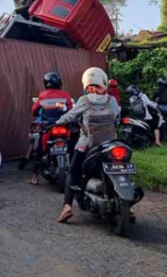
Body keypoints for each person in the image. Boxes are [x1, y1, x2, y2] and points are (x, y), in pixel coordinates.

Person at [56, 67, 120, 223]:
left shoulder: (84, 101)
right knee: (118, 169)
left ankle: (67, 207)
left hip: (87, 145)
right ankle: (128, 208)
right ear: (103, 81)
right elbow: (117, 119)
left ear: (86, 83)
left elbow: (70, 116)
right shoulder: (112, 100)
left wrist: (56, 122)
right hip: (110, 145)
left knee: (72, 172)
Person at [22, 72, 73, 185]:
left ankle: (35, 177)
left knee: (40, 150)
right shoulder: (65, 95)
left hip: (48, 126)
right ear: (59, 82)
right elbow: (71, 109)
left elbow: (35, 110)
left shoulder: (43, 95)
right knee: (73, 145)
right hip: (63, 126)